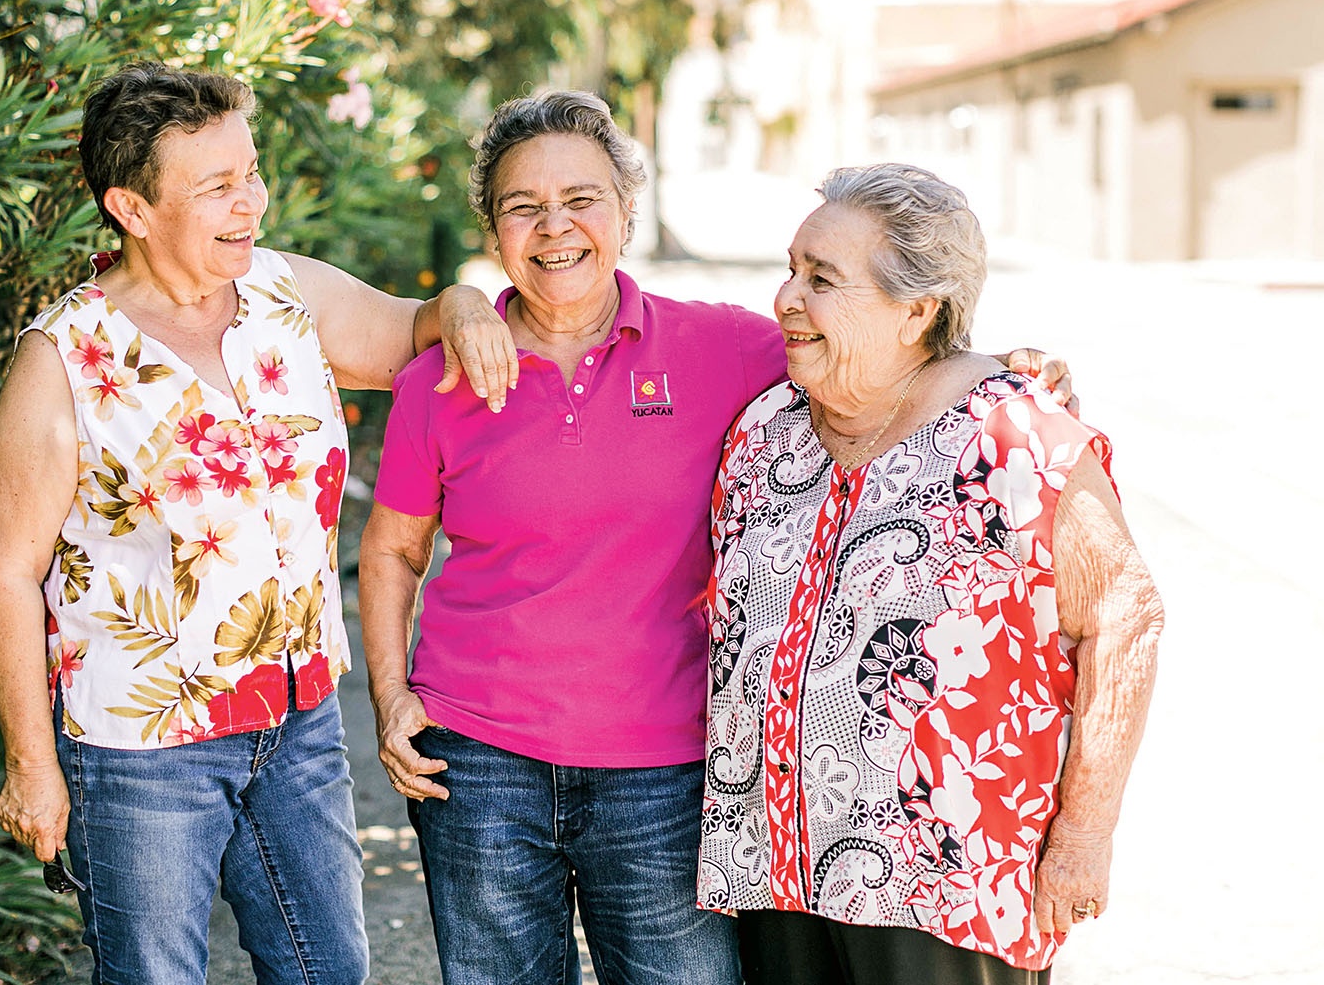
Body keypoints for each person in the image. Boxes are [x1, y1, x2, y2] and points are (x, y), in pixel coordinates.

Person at [358, 93, 1074, 985]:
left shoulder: (726, 348)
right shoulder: (444, 377)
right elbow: (391, 550)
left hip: (667, 770)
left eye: (582, 199)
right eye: (522, 207)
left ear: (625, 212)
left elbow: (880, 346)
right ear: (493, 229)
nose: (555, 229)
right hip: (479, 765)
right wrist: (393, 700)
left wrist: (1007, 367)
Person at [0, 63, 516, 985]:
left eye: (250, 172)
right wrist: (33, 765)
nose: (250, 203)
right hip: (141, 752)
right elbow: (7, 573)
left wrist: (466, 301)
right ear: (131, 209)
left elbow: (416, 331)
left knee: (326, 971)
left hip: (299, 724)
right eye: (216, 186)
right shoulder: (62, 358)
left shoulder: (285, 295)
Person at [699, 164, 1164, 985]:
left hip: (946, 881)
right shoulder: (764, 433)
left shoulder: (1014, 434)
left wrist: (1084, 838)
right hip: (770, 867)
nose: (785, 297)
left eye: (822, 280)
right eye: (792, 269)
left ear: (917, 311)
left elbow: (1125, 618)